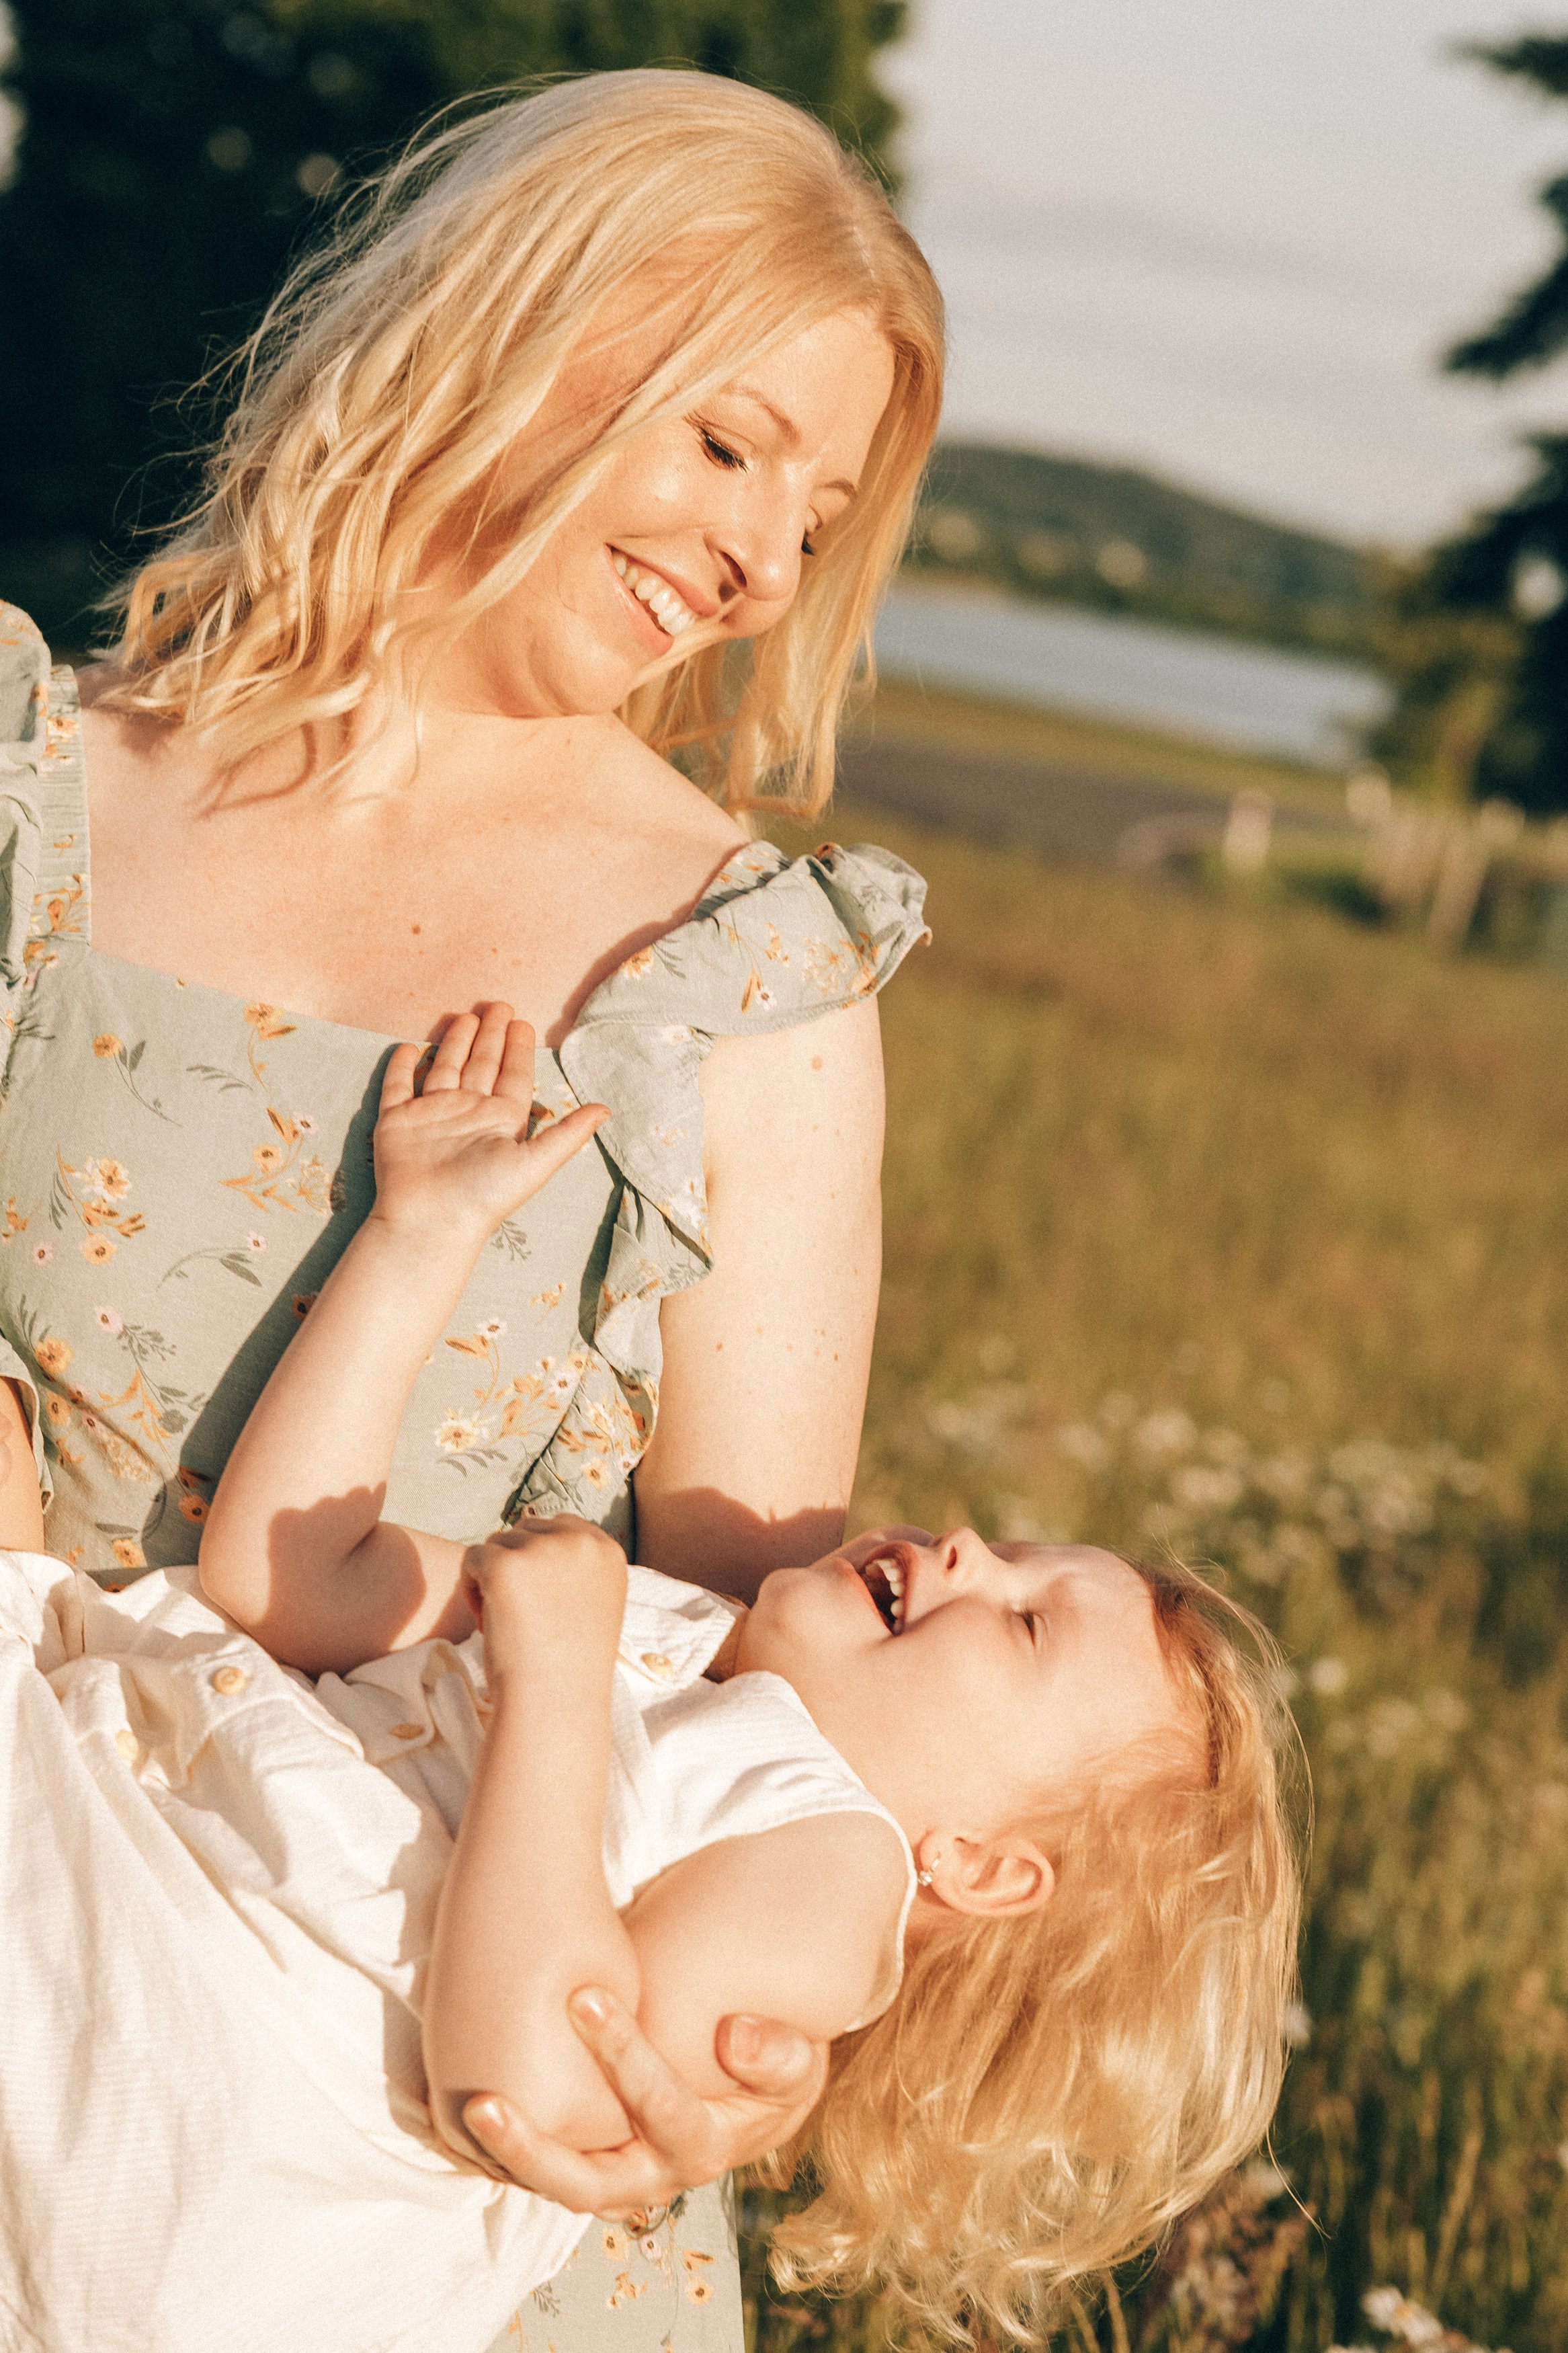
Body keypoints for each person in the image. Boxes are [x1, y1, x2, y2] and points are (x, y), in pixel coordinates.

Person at [0, 67, 943, 2347]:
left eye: (816, 512)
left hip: (407, 2123)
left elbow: (745, 1656)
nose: (757, 552)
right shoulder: (35, 785)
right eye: (726, 443)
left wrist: (716, 2042)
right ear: (517, 324)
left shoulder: (745, 984)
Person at [0, 1006, 1302, 2352]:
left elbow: (537, 2087)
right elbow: (288, 1580)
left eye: (1023, 1620)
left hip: (202, 2142)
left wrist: (556, 1676)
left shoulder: (828, 1864)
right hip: (129, 1912)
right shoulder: (676, 1629)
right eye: (1018, 1550)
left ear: (978, 1864)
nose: (969, 1543)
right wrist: (420, 1237)